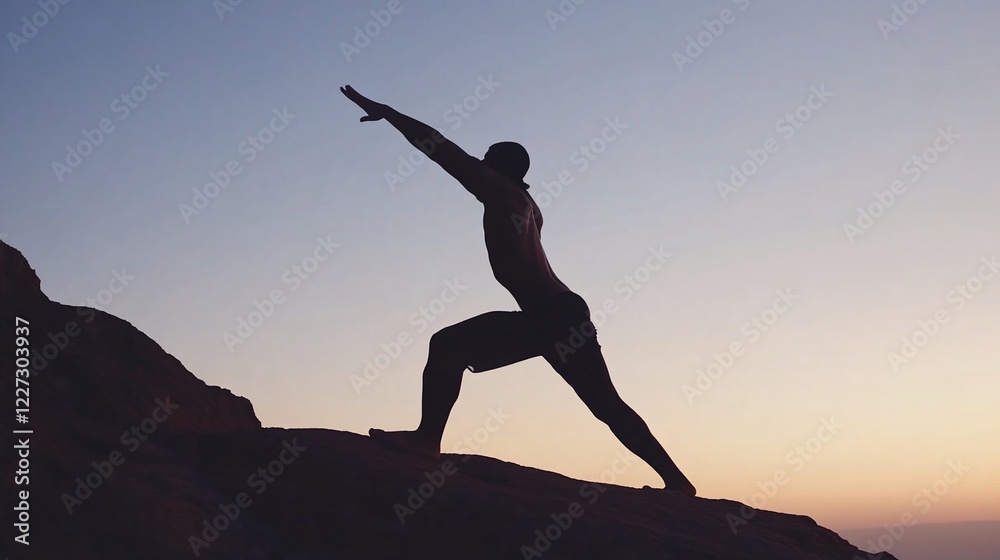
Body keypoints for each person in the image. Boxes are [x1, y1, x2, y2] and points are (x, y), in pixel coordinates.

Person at [340, 85, 696, 495]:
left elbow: (441, 150)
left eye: (487, 159)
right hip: (560, 314)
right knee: (605, 404)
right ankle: (677, 481)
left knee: (448, 344)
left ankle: (425, 441)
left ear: (501, 167)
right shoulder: (526, 204)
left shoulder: (503, 194)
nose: (480, 164)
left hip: (551, 316)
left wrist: (389, 112)